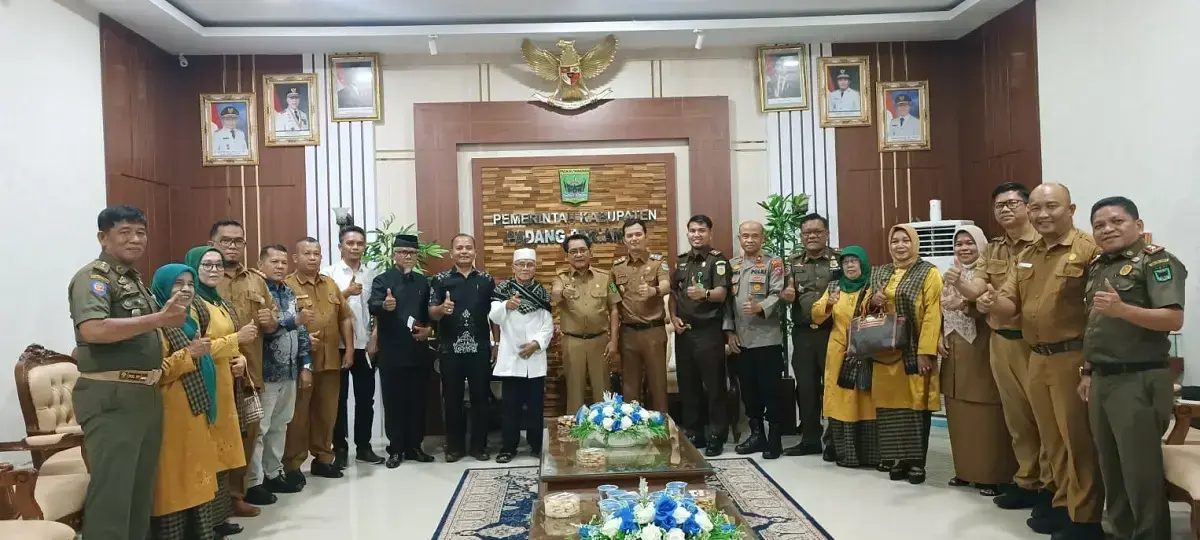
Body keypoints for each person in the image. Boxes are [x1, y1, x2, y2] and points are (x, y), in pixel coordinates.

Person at [977, 183, 1105, 539]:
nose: (1043, 214)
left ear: (1071, 209)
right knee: (1052, 440)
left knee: (1076, 440)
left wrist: (1092, 366)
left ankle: (1085, 518)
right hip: (1037, 356)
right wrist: (989, 300)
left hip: (1072, 357)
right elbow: (1009, 304)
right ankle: (1062, 504)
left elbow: (1099, 314)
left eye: (1051, 206)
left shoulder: (1088, 250)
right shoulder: (1027, 253)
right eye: (1036, 208)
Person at [68, 205, 189, 540]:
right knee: (114, 492)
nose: (135, 239)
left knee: (139, 491)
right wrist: (158, 319)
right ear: (103, 238)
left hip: (145, 393)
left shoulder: (133, 279)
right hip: (113, 395)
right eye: (125, 232)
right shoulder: (94, 279)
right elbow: (93, 329)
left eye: (141, 232)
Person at [1082, 197, 1185, 540]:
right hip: (1102, 378)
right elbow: (1095, 324)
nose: (1107, 229)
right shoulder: (1099, 266)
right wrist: (1087, 371)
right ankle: (1121, 532)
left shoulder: (1157, 261)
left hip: (1139, 378)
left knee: (1140, 472)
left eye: (1117, 221)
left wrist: (1123, 310)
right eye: (1099, 225)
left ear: (1138, 225)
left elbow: (1173, 318)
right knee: (1110, 468)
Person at [945, 182, 1051, 515]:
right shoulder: (994, 248)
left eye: (1012, 203)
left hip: (1036, 343)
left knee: (1046, 418)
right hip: (1001, 341)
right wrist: (962, 284)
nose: (1005, 210)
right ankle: (1027, 481)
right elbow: (979, 286)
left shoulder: (1043, 243)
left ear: (1028, 207)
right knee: (1017, 418)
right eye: (999, 205)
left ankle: (1052, 488)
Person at [146, 264, 226, 540]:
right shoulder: (154, 325)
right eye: (178, 284)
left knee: (197, 478)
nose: (186, 289)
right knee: (175, 482)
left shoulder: (189, 321)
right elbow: (154, 373)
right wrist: (190, 354)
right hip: (170, 415)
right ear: (162, 288)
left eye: (190, 284)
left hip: (195, 410)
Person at [938, 225, 1018, 497]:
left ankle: (992, 475)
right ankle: (965, 471)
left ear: (981, 245)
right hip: (953, 351)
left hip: (981, 347)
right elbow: (939, 310)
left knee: (987, 414)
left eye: (969, 243)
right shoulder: (950, 274)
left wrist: (965, 305)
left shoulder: (991, 275)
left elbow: (996, 307)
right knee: (958, 412)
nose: (964, 248)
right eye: (959, 243)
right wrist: (938, 335)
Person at [210, 218, 278, 516]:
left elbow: (273, 321)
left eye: (238, 241)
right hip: (215, 372)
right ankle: (212, 502)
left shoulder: (256, 280)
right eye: (226, 240)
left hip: (250, 373)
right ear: (212, 243)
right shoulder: (204, 277)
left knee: (248, 434)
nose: (233, 246)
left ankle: (236, 495)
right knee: (216, 436)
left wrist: (270, 321)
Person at [184, 246, 251, 537]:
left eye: (218, 265)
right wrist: (237, 339)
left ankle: (220, 517)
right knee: (209, 455)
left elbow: (230, 342)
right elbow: (197, 349)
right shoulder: (192, 304)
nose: (214, 270)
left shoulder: (220, 301)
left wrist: (241, 358)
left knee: (224, 454)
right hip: (205, 387)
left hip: (227, 385)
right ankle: (205, 524)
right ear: (193, 268)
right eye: (207, 265)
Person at [867, 224, 942, 484]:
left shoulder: (928, 272)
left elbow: (933, 313)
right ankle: (897, 459)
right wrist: (872, 301)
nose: (900, 245)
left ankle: (916, 462)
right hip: (885, 352)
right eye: (895, 241)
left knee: (915, 405)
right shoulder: (880, 272)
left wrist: (925, 352)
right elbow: (865, 309)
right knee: (890, 407)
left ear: (914, 243)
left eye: (905, 240)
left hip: (913, 351)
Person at [284, 238, 354, 481]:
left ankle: (324, 459)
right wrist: (301, 340)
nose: (313, 258)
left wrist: (350, 349)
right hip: (301, 362)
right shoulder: (287, 286)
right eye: (307, 253)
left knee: (327, 413)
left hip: (331, 359)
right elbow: (281, 323)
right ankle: (292, 464)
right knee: (298, 415)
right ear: (296, 258)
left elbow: (344, 316)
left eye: (317, 253)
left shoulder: (330, 284)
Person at [252, 244, 313, 501]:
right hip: (265, 372)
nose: (279, 266)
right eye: (274, 261)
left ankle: (273, 474)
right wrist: (293, 321)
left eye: (283, 262)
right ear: (260, 265)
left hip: (289, 371)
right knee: (260, 429)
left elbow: (302, 330)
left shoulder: (289, 292)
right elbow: (262, 330)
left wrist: (305, 365)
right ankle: (253, 482)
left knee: (280, 425)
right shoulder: (257, 293)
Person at [429, 234, 497, 462]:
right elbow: (431, 312)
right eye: (459, 248)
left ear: (475, 252)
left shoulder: (486, 280)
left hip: (480, 348)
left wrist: (496, 343)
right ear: (452, 253)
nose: (464, 251)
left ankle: (479, 447)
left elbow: (494, 315)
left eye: (468, 247)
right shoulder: (440, 280)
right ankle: (454, 447)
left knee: (481, 399)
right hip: (450, 350)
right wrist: (442, 309)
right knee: (452, 400)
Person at [369, 234, 435, 468]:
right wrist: (384, 306)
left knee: (417, 401)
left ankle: (415, 447)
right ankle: (396, 449)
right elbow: (373, 306)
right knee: (394, 402)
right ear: (394, 254)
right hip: (392, 351)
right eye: (403, 252)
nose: (407, 256)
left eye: (412, 253)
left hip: (417, 350)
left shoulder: (423, 282)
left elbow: (430, 313)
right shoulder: (382, 280)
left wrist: (429, 329)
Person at [670, 214, 732, 456]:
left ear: (709, 233)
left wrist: (704, 294)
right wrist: (673, 317)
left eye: (701, 230)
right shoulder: (681, 262)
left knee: (714, 385)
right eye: (693, 230)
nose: (696, 234)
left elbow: (722, 293)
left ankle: (716, 435)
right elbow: (674, 294)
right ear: (687, 233)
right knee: (688, 385)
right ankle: (694, 432)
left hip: (708, 332)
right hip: (684, 332)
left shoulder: (718, 260)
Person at [324, 223, 386, 467]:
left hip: (365, 345)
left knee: (365, 398)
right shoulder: (328, 274)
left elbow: (378, 310)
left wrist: (375, 338)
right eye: (350, 243)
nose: (355, 247)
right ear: (340, 246)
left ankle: (364, 447)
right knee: (338, 399)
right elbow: (325, 308)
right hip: (337, 345)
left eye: (360, 243)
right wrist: (347, 292)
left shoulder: (372, 275)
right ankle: (339, 448)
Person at [724, 221, 786, 459]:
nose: (749, 240)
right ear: (739, 238)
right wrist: (729, 332)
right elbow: (727, 304)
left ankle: (775, 438)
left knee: (771, 390)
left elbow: (778, 293)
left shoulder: (773, 263)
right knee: (749, 391)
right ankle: (757, 434)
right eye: (745, 236)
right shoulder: (732, 265)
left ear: (763, 238)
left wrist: (761, 307)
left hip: (766, 338)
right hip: (741, 339)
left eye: (754, 236)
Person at [781, 213, 840, 458]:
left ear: (827, 233)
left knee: (834, 388)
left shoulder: (840, 259)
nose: (812, 236)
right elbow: (784, 292)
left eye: (817, 231)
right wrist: (786, 296)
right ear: (801, 236)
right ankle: (810, 439)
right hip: (803, 334)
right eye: (807, 232)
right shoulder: (792, 263)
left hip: (833, 333)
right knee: (806, 388)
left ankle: (836, 442)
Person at [489, 247, 554, 463]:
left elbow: (548, 325)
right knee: (510, 408)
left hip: (535, 357)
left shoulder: (542, 293)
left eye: (529, 264)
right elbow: (494, 317)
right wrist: (506, 305)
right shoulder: (503, 290)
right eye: (521, 264)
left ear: (535, 267)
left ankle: (536, 446)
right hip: (512, 359)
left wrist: (536, 344)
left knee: (536, 408)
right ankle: (509, 447)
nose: (525, 268)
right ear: (513, 267)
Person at [813, 246, 876, 468]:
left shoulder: (871, 286)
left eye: (854, 261)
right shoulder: (834, 286)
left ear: (863, 264)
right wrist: (829, 303)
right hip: (839, 352)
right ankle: (844, 452)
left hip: (866, 352)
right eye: (846, 262)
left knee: (865, 399)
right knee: (841, 401)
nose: (849, 265)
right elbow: (816, 315)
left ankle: (870, 455)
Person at [552, 233, 620, 411]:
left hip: (600, 341)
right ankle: (575, 428)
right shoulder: (561, 278)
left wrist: (614, 341)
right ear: (567, 256)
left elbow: (614, 309)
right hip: (572, 342)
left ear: (590, 252)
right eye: (573, 251)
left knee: (603, 392)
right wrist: (562, 293)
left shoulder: (605, 277)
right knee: (575, 392)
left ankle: (606, 426)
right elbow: (555, 294)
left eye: (582, 250)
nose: (579, 254)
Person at [610, 218, 671, 413]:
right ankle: (633, 425)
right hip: (628, 333)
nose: (634, 238)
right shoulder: (617, 267)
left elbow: (666, 285)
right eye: (630, 235)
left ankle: (660, 426)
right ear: (624, 240)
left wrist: (654, 291)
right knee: (630, 387)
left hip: (653, 332)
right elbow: (612, 297)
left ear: (645, 236)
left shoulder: (658, 262)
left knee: (657, 386)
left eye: (638, 234)